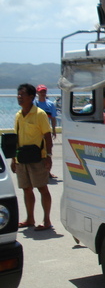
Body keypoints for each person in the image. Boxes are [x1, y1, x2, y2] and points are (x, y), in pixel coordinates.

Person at [11, 83, 53, 231]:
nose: (19, 97)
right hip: (22, 158)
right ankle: (30, 218)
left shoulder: (40, 114)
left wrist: (48, 156)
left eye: (22, 94)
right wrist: (13, 159)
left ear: (31, 97)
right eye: (18, 94)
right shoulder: (18, 115)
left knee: (42, 188)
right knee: (26, 189)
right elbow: (16, 138)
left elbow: (47, 136)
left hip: (37, 158)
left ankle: (47, 220)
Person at [35, 84, 58, 179]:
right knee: (37, 152)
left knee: (48, 152)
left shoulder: (50, 104)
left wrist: (54, 130)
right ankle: (38, 172)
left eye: (44, 91)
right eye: (41, 91)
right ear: (37, 93)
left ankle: (48, 172)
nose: (42, 93)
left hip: (46, 132)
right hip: (36, 132)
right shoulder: (34, 104)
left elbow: (53, 118)